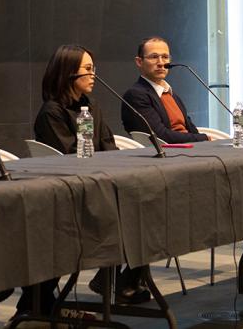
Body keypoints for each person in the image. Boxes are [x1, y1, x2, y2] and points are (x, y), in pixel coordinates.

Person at [33, 44, 149, 307]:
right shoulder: (52, 112)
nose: (93, 75)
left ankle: (121, 280)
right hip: (70, 194)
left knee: (146, 203)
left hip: (99, 183)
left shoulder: (91, 105)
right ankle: (114, 281)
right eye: (87, 69)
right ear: (69, 73)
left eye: (93, 68)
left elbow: (108, 145)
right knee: (129, 211)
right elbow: (68, 157)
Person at [121, 37, 209, 143]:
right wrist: (204, 138)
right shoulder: (135, 95)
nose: (161, 63)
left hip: (189, 148)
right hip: (167, 151)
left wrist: (204, 141)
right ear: (139, 62)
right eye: (154, 57)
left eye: (165, 57)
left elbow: (191, 130)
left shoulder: (170, 93)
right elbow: (161, 136)